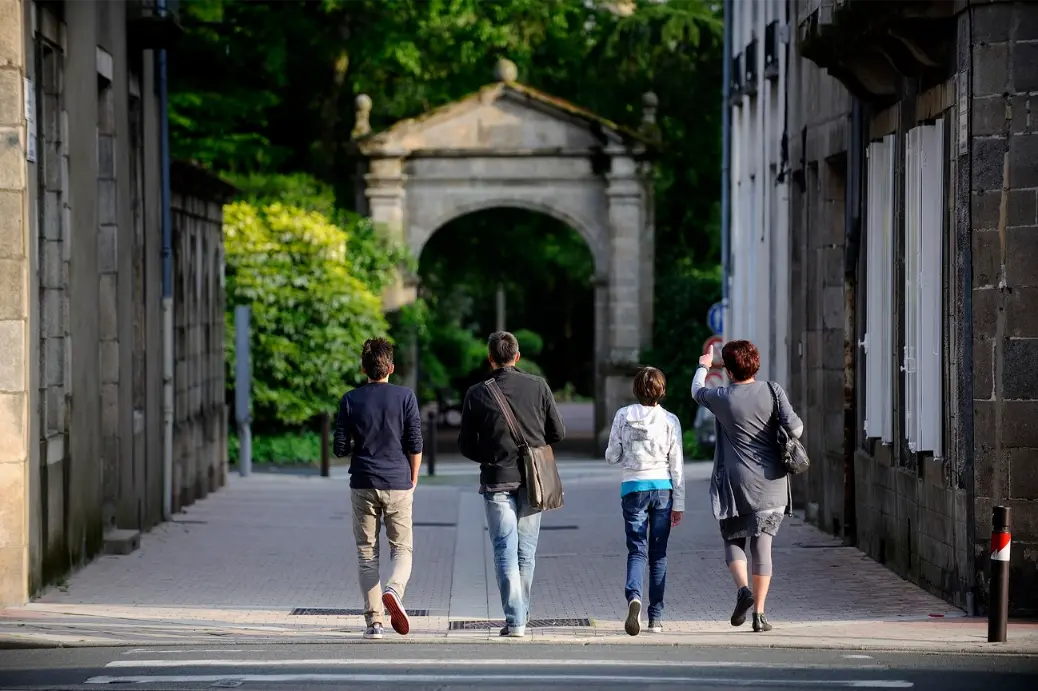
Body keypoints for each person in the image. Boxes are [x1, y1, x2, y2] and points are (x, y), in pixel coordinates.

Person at [458, 331, 566, 637]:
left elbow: (466, 445)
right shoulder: (539, 386)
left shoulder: (477, 394)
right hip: (535, 482)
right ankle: (520, 615)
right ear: (517, 356)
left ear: (490, 358)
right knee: (525, 553)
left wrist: (491, 455)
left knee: (504, 550)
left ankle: (516, 619)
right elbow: (558, 433)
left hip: (496, 480)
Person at [691, 340, 803, 633]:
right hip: (772, 483)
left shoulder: (723, 397)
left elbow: (695, 391)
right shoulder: (773, 391)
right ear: (756, 363)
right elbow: (796, 428)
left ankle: (743, 591)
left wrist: (703, 366)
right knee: (762, 546)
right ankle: (761, 615)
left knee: (733, 541)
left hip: (735, 484)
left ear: (727, 370)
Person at [333, 337, 423, 640]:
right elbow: (415, 443)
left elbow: (340, 446)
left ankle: (375, 623)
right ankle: (393, 590)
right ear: (391, 368)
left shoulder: (349, 400)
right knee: (402, 549)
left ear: (363, 369)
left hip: (362, 482)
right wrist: (413, 478)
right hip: (398, 481)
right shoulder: (406, 397)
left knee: (367, 554)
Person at [605, 366, 685, 636]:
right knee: (658, 554)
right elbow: (677, 466)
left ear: (636, 389)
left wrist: (621, 449)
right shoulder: (670, 420)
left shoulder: (622, 416)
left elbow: (612, 456)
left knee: (637, 550)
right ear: (661, 391)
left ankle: (634, 597)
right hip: (663, 488)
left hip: (633, 488)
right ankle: (656, 618)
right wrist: (679, 503)